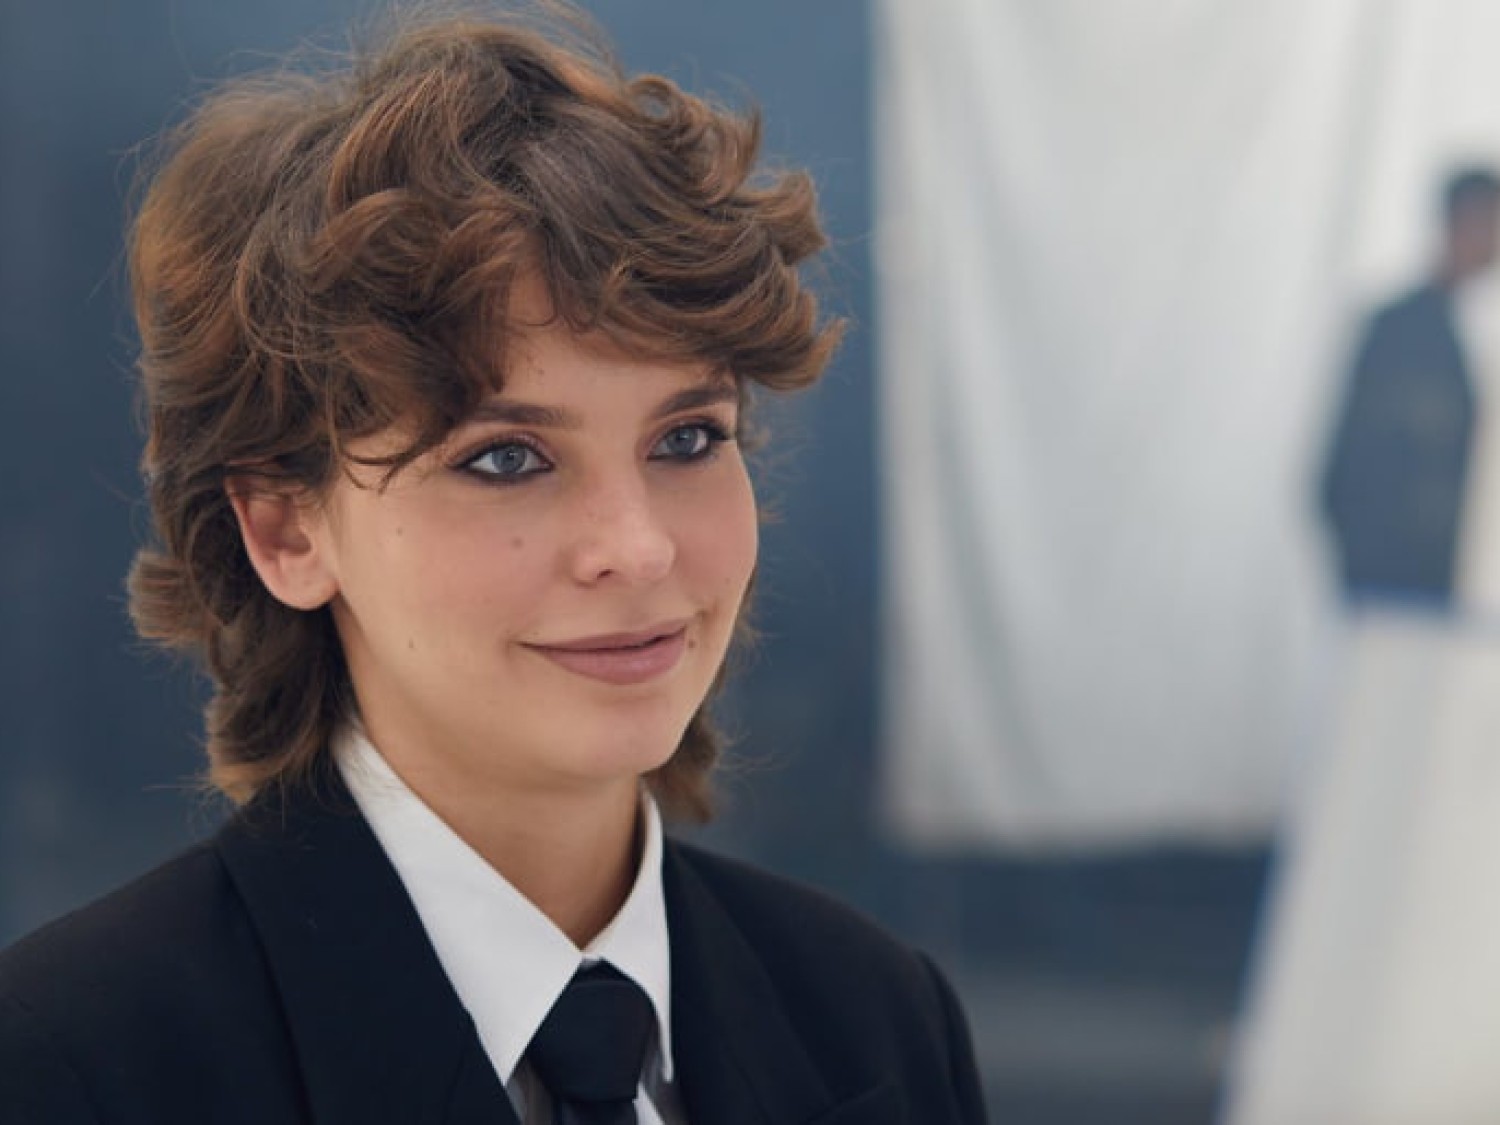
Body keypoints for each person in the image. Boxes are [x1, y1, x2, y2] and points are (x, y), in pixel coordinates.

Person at [0, 7, 986, 1124]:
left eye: (687, 439)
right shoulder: (77, 1068)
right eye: (507, 458)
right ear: (284, 531)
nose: (637, 546)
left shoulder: (878, 1019)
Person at [1320, 165, 1500, 604]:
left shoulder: (1473, 331)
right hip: (1396, 586)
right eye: (1489, 225)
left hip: (1444, 590)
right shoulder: (1396, 329)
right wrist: (1372, 576)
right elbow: (1342, 472)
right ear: (1461, 223)